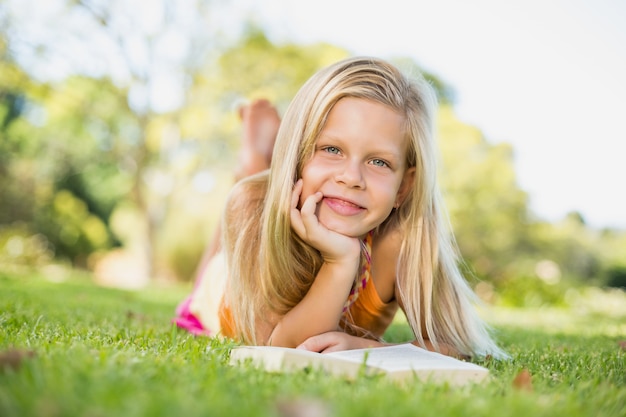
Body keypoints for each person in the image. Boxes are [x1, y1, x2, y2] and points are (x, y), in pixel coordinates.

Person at [174, 56, 506, 359]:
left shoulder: (401, 241)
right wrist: (341, 261)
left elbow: (454, 344)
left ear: (404, 186)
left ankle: (263, 159)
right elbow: (281, 349)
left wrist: (370, 347)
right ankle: (255, 163)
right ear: (297, 157)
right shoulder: (252, 206)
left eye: (378, 161)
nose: (352, 178)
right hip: (226, 289)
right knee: (233, 229)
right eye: (332, 149)